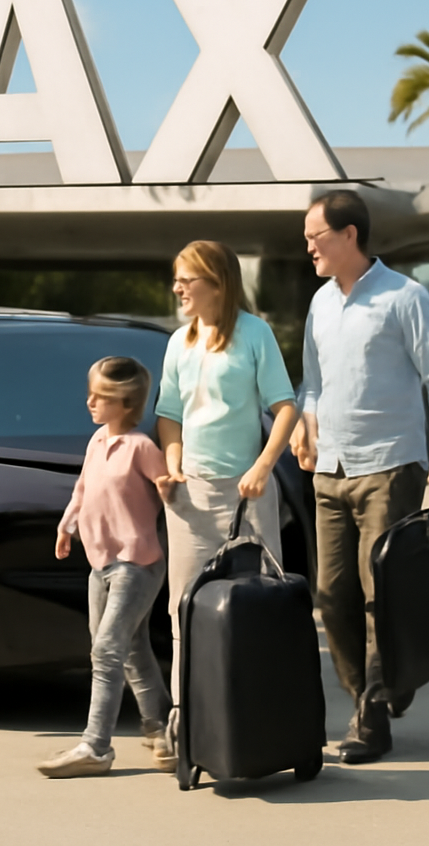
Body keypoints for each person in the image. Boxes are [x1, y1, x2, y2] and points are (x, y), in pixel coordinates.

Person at [290, 189, 429, 763]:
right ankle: (382, 688)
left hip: (390, 467)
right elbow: (311, 382)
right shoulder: (319, 304)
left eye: (316, 236)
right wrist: (305, 426)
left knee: (379, 596)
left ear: (349, 235)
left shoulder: (404, 297)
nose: (308, 245)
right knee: (331, 594)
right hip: (330, 470)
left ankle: (371, 715)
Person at [155, 240, 297, 767]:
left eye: (186, 279)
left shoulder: (255, 335)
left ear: (216, 282)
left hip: (247, 494)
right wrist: (172, 463)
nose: (177, 288)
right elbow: (168, 412)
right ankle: (185, 721)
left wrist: (262, 466)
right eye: (176, 278)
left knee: (260, 608)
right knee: (183, 609)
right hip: (190, 496)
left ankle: (263, 717)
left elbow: (285, 407)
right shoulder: (178, 343)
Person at [37, 357, 174, 778]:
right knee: (130, 648)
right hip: (101, 562)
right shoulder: (98, 441)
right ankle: (162, 729)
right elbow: (83, 488)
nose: (90, 401)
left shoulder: (141, 447)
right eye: (91, 392)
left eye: (101, 396)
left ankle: (95, 746)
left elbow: (167, 486)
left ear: (126, 402)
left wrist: (170, 484)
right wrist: (67, 526)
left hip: (137, 563)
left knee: (107, 651)